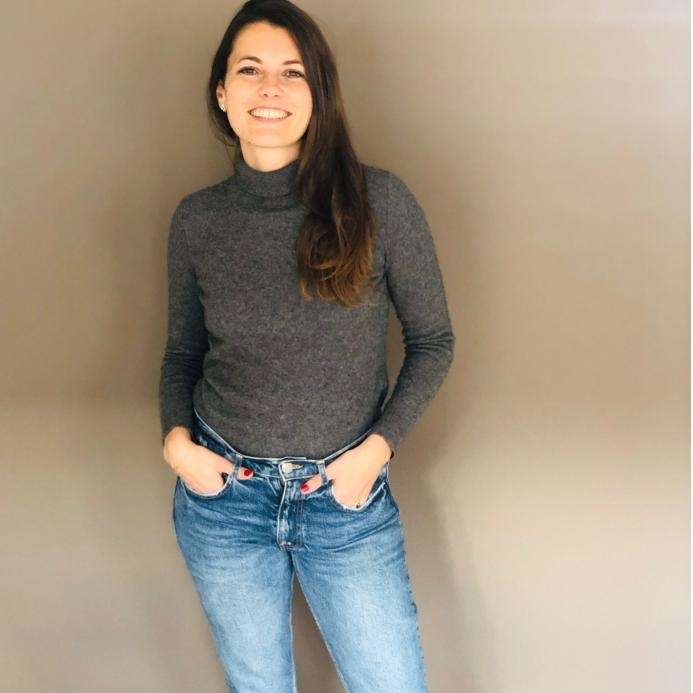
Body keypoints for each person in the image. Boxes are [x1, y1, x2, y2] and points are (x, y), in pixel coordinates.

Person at [158, 1, 455, 691]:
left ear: (318, 93)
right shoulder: (197, 220)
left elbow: (433, 342)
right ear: (221, 92)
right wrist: (176, 444)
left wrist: (374, 453)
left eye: (293, 72)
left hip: (344, 504)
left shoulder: (379, 202)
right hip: (224, 503)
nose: (271, 88)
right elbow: (182, 355)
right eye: (250, 70)